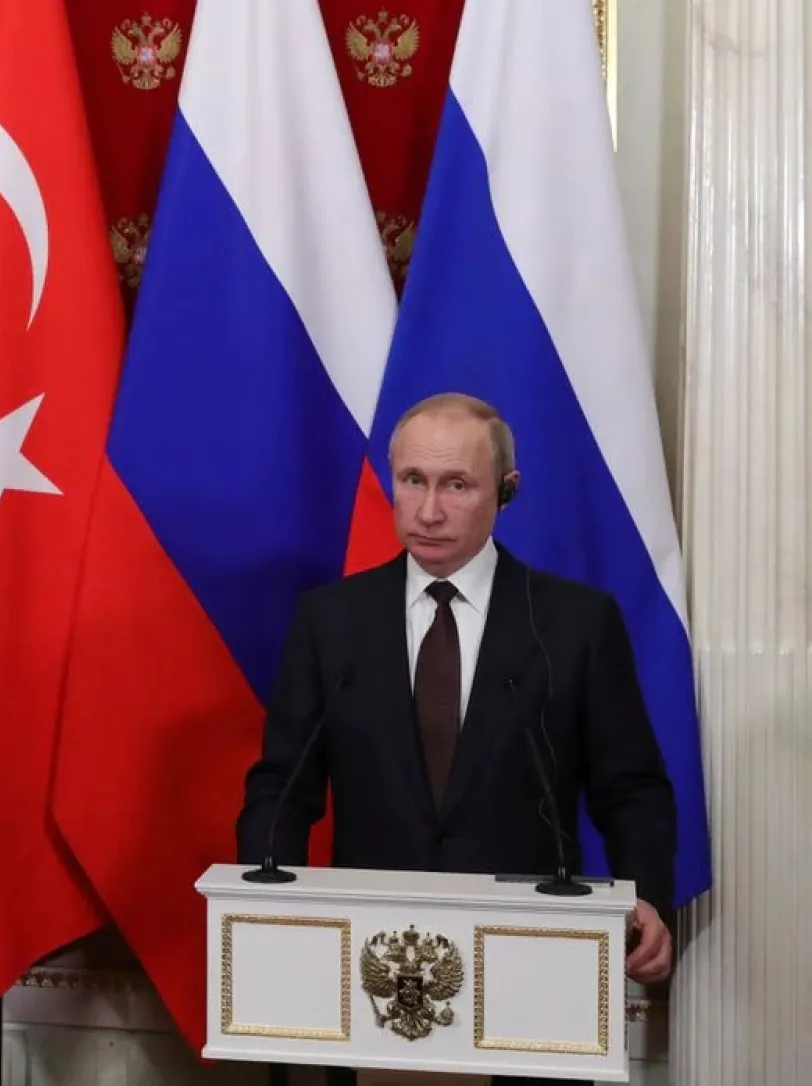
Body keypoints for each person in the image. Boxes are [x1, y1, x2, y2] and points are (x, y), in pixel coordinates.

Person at [237, 393, 676, 1086]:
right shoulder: (332, 621)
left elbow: (631, 788)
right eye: (412, 481)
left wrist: (646, 894)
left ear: (507, 491)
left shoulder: (574, 624)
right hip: (373, 972)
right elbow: (281, 785)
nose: (429, 510)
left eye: (457, 485)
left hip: (532, 970)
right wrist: (266, 901)